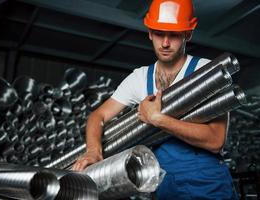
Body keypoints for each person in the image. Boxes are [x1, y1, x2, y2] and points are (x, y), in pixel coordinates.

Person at [72, 0, 238, 199]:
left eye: (174, 35)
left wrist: (158, 119)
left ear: (188, 34)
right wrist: (93, 151)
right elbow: (98, 116)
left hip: (208, 184)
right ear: (150, 32)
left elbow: (216, 140)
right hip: (165, 184)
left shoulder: (209, 72)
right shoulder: (140, 78)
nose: (165, 43)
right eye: (159, 33)